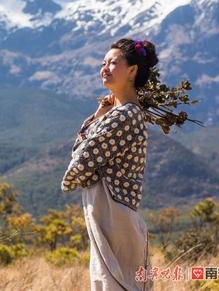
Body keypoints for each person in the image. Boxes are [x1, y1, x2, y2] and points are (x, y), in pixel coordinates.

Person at [61, 38, 158, 291]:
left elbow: (79, 165)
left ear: (133, 70)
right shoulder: (119, 113)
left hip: (113, 212)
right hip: (108, 210)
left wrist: (72, 173)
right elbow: (82, 156)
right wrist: (98, 115)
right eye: (103, 62)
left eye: (113, 62)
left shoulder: (127, 114)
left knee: (117, 282)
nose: (104, 68)